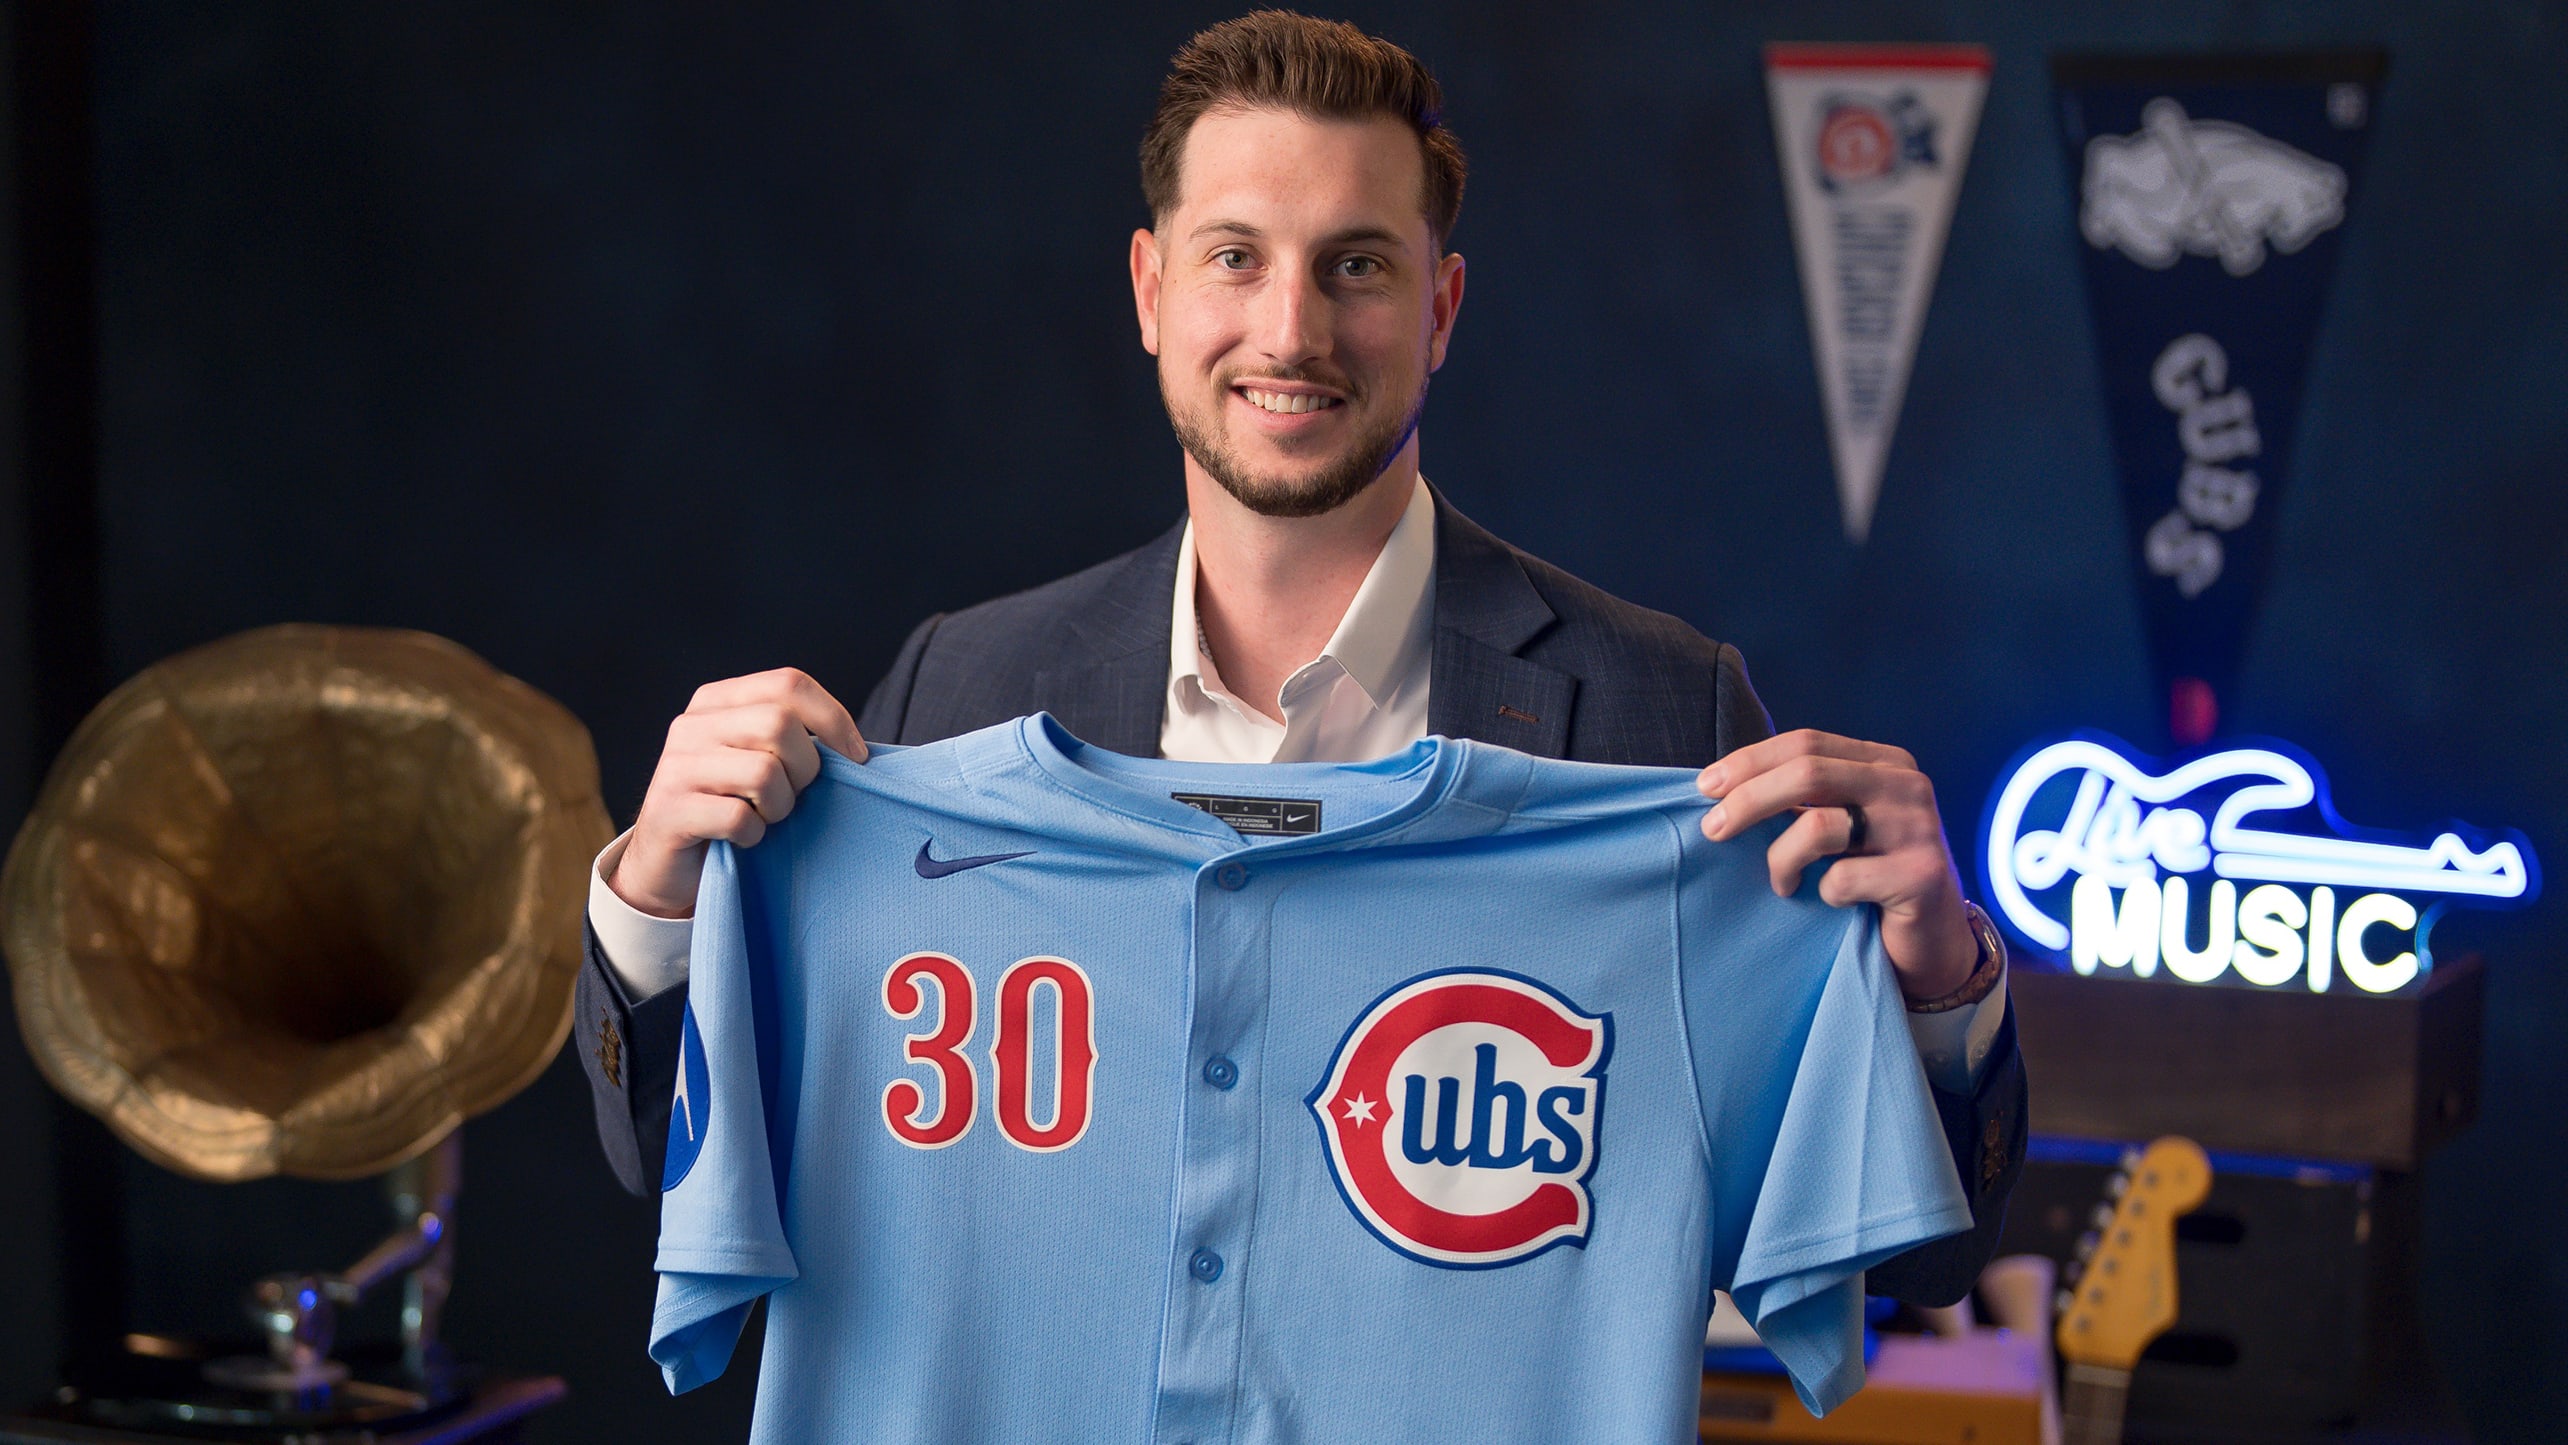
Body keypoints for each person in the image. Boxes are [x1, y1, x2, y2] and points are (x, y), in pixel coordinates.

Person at [573, 10, 2022, 1306]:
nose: (1292, 327)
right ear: (1150, 293)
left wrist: (1936, 987)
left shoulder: (1663, 715)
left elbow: (1905, 1261)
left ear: (1441, 308)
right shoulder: (955, 692)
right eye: (1236, 258)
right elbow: (697, 1177)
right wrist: (660, 909)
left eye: (1357, 267)